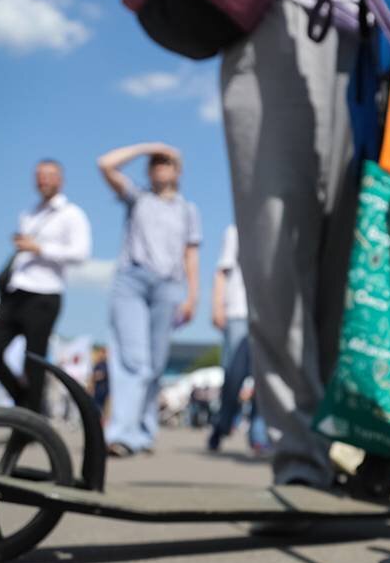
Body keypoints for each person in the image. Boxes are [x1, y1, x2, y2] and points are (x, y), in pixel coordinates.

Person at [219, 0, 390, 496]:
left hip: (379, 35)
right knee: (276, 252)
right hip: (278, 12)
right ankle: (300, 455)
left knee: (347, 265)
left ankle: (326, 445)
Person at [97, 142, 201, 457]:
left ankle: (143, 432)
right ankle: (121, 435)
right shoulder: (137, 198)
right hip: (132, 281)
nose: (160, 167)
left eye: (166, 162)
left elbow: (191, 254)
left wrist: (192, 296)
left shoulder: (187, 210)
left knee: (154, 365)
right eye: (154, 163)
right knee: (134, 359)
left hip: (168, 286)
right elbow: (105, 163)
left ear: (178, 171)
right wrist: (149, 147)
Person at [0, 159, 91, 414]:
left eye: (49, 175)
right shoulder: (29, 213)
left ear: (60, 179)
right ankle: (27, 403)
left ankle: (29, 422)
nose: (43, 180)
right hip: (16, 291)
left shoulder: (71, 214)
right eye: (39, 175)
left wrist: (39, 248)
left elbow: (80, 253)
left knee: (34, 360)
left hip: (44, 294)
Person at [207, 225, 270, 454]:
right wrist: (217, 305)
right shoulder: (235, 230)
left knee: (264, 377)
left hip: (267, 315)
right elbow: (222, 271)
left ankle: (258, 434)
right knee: (233, 375)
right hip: (238, 312)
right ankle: (222, 424)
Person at [90, 344, 109, 418]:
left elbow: (101, 375)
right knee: (96, 407)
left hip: (105, 391)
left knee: (102, 409)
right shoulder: (98, 365)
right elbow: (94, 377)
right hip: (97, 391)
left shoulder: (107, 365)